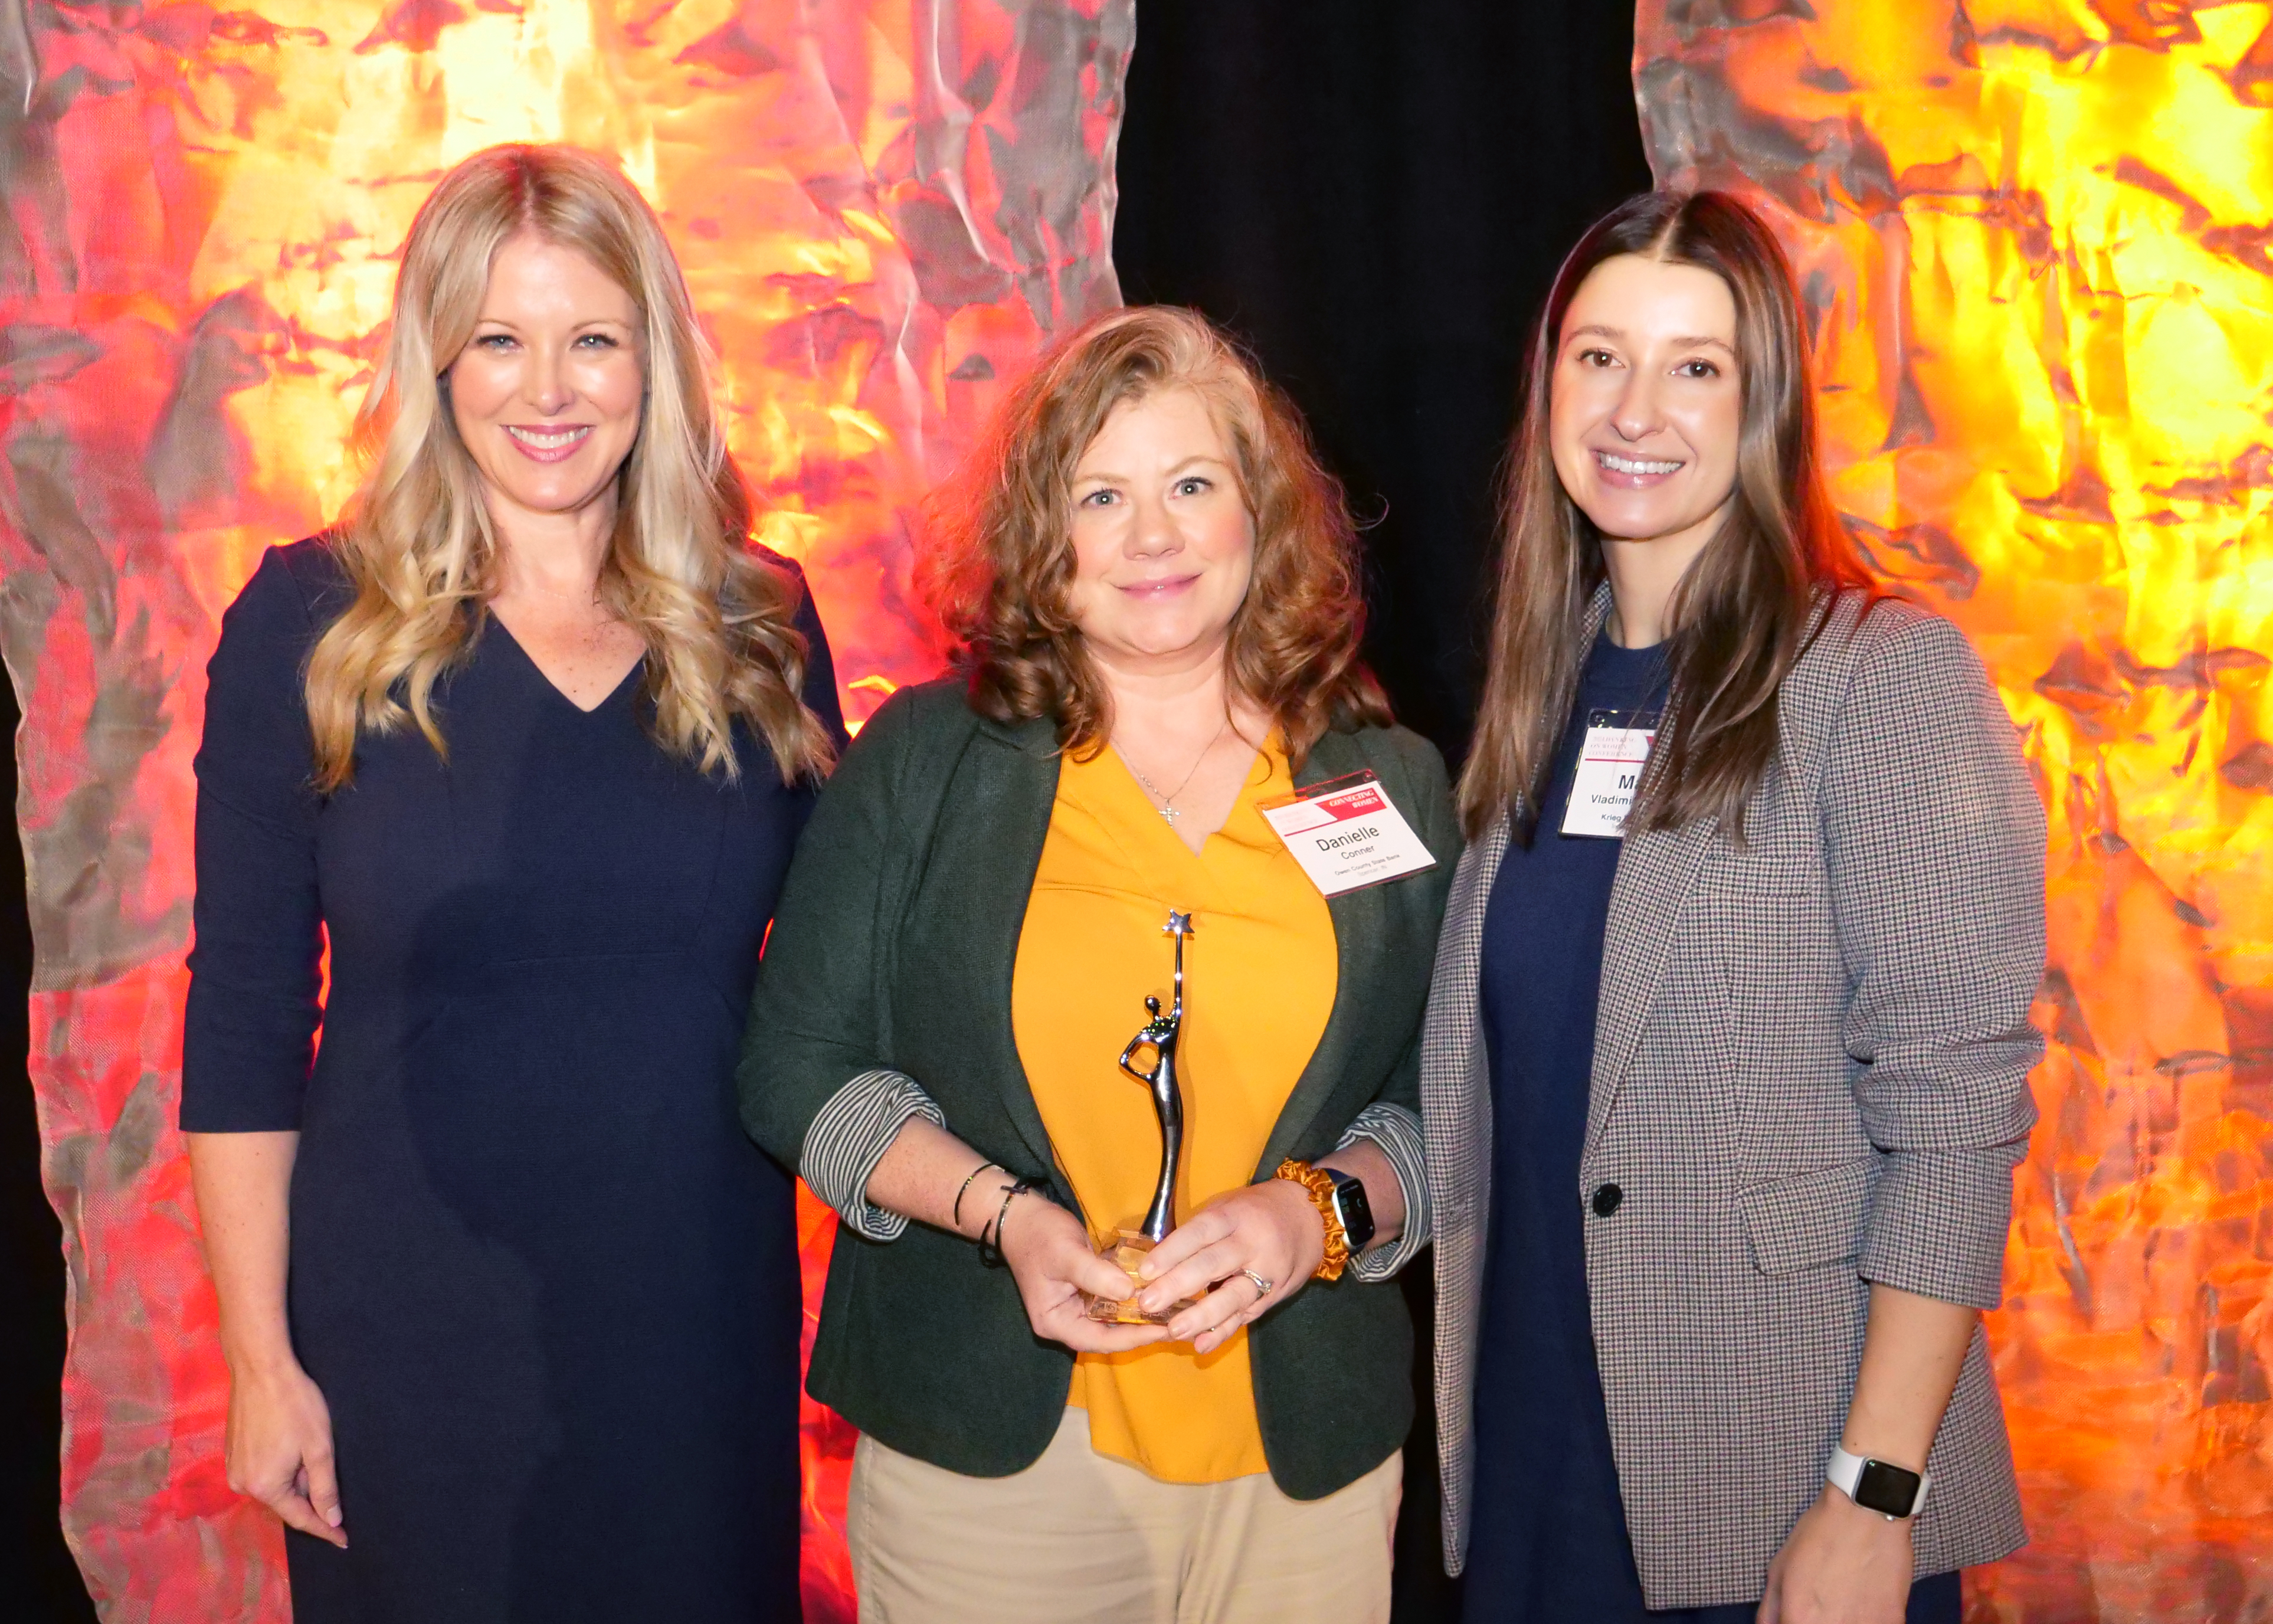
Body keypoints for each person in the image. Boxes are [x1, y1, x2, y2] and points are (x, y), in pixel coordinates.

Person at [180, 143, 844, 1623]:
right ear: (437, 359)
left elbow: (851, 978)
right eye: (499, 338)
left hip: (696, 1327)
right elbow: (241, 1022)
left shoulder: (762, 623)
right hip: (401, 1346)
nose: (548, 389)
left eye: (592, 337)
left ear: (652, 358)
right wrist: (260, 1362)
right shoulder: (309, 618)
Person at [739, 305, 1456, 1623]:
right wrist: (1001, 1216)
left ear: (1263, 513)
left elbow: (1453, 1108)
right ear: (1042, 537)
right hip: (991, 1450)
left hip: (1302, 1470)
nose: (1154, 536)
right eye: (1103, 495)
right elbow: (794, 1067)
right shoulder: (926, 758)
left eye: (1193, 485)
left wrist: (1318, 1212)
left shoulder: (1390, 782)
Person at [1422, 191, 2044, 1624]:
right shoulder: (1544, 688)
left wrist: (1871, 1494)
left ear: (1766, 405)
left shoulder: (1878, 676)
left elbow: (1955, 1111)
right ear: (1549, 381)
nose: (1639, 409)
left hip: (1782, 1480)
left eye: (1698, 365)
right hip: (1539, 1448)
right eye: (1600, 356)